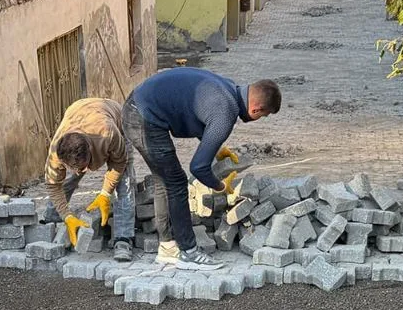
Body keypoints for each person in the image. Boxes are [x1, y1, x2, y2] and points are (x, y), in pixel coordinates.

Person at [122, 68, 281, 270]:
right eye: (264, 115)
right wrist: (219, 185)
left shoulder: (229, 88)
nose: (260, 118)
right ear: (256, 109)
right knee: (177, 182)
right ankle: (189, 253)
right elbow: (198, 167)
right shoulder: (226, 111)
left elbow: (199, 111)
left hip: (138, 103)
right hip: (143, 118)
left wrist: (216, 149)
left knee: (165, 179)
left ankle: (167, 249)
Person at [43, 98, 136, 262]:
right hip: (77, 111)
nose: (84, 172)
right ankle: (53, 221)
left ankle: (123, 239)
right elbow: (53, 185)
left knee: (124, 184)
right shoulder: (56, 153)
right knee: (68, 179)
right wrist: (67, 215)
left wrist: (105, 193)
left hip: (115, 118)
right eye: (79, 169)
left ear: (91, 150)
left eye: (85, 167)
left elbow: (120, 162)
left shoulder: (108, 133)